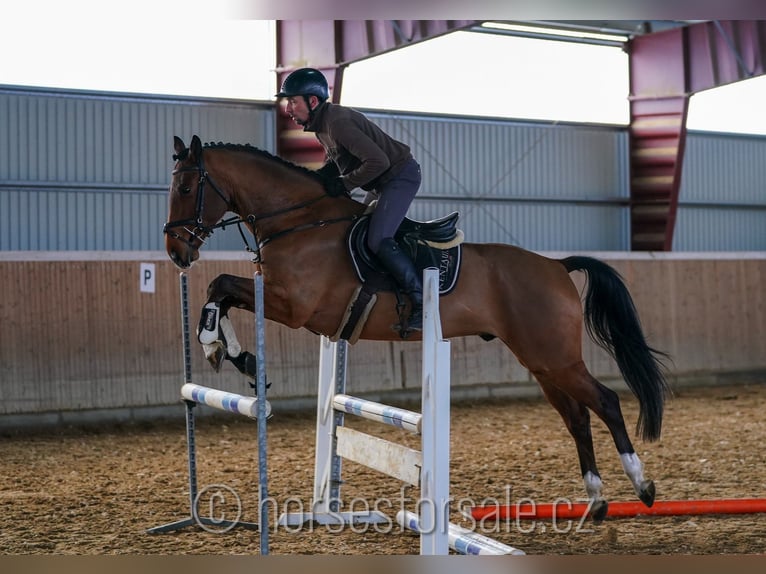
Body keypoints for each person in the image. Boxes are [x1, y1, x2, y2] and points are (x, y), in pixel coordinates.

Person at [276, 67, 423, 331]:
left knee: (377, 238)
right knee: (352, 228)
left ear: (313, 101)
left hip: (400, 176)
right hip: (381, 182)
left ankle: (420, 300)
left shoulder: (337, 123)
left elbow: (379, 161)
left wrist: (343, 184)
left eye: (293, 101)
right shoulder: (322, 126)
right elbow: (336, 161)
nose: (288, 109)